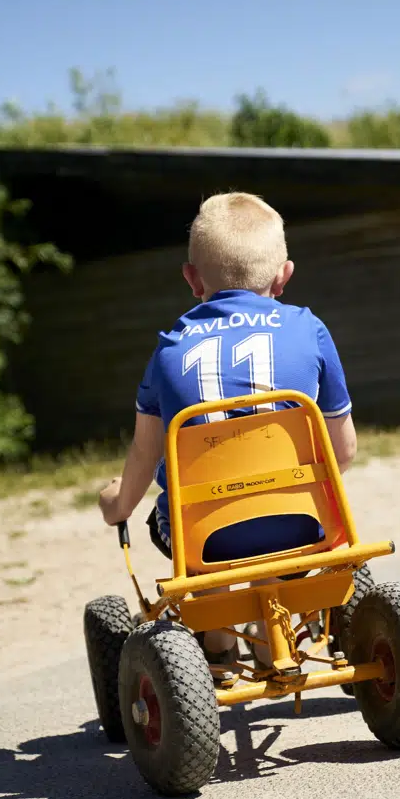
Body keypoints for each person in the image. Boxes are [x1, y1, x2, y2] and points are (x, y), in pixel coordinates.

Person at [96, 191, 358, 675]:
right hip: (302, 525)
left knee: (174, 506)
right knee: (309, 492)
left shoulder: (167, 348)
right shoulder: (308, 328)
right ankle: (277, 632)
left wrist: (117, 505)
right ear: (285, 275)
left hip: (205, 541)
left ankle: (217, 638)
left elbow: (144, 452)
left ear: (192, 279)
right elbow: (342, 452)